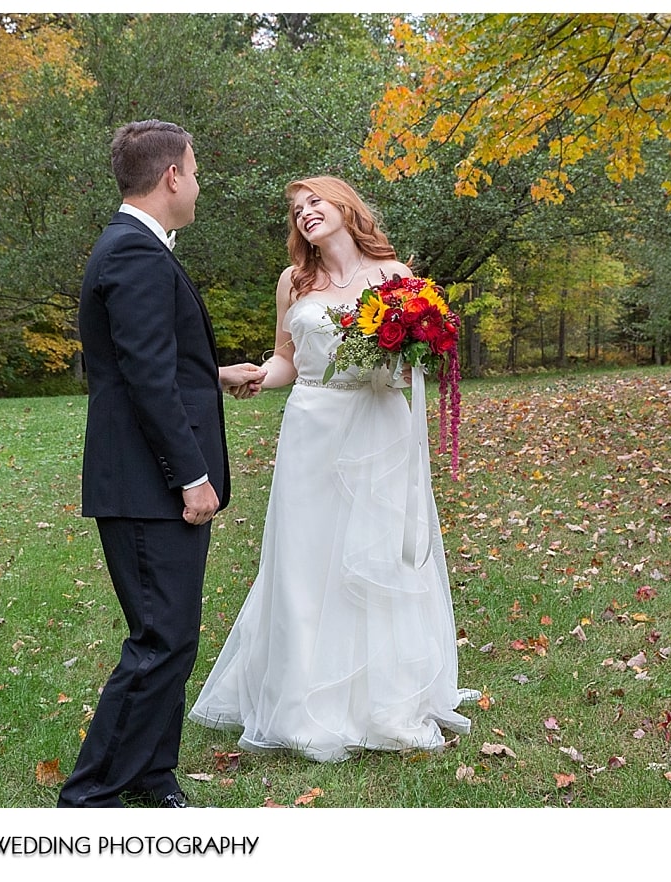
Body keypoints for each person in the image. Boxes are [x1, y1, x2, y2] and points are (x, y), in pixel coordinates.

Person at [188, 176, 472, 762]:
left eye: (314, 201)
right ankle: (300, 705)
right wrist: (257, 376)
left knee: (376, 557)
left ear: (345, 206)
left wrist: (406, 364)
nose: (305, 213)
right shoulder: (294, 283)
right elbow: (288, 360)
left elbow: (417, 363)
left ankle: (386, 702)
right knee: (305, 560)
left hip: (379, 429)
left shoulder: (397, 278)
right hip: (313, 428)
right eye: (297, 209)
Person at [58, 120, 265, 808]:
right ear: (172, 175)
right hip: (151, 485)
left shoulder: (137, 248)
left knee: (171, 636)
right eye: (197, 171)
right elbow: (144, 379)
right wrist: (193, 474)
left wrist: (211, 373)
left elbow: (153, 363)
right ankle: (90, 796)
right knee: (161, 640)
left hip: (147, 482)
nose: (199, 185)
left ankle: (150, 772)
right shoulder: (135, 255)